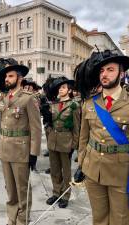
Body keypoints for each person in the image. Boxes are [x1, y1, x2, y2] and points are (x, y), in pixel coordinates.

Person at [74, 50, 129, 225]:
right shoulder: (89, 103)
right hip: (93, 170)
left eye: (110, 70)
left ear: (122, 73)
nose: (104, 74)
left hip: (122, 173)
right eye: (102, 71)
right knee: (99, 218)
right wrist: (81, 163)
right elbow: (83, 138)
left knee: (120, 220)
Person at [0, 58, 42, 225]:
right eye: (6, 76)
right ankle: (11, 218)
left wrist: (33, 153)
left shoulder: (29, 98)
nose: (7, 79)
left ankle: (22, 219)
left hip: (21, 151)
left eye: (10, 76)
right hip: (5, 149)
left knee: (22, 189)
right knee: (10, 189)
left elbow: (36, 128)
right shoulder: (4, 98)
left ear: (20, 78)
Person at [45, 77, 80, 208]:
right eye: (59, 87)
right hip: (53, 140)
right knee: (54, 169)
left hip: (66, 141)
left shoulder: (74, 105)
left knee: (66, 171)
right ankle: (56, 192)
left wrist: (74, 145)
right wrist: (48, 126)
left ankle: (65, 195)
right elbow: (49, 123)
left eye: (64, 87)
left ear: (69, 90)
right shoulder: (53, 104)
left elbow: (77, 127)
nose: (61, 89)